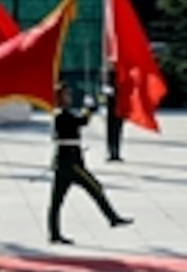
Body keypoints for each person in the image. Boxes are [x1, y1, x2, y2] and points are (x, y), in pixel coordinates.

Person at [49, 82, 133, 245]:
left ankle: (54, 234)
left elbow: (79, 121)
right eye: (66, 95)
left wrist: (92, 107)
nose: (70, 97)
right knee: (95, 187)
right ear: (59, 98)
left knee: (57, 201)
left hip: (66, 161)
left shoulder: (63, 113)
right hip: (71, 162)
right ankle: (112, 218)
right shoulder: (61, 114)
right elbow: (81, 122)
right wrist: (89, 108)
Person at [102, 66, 123, 162]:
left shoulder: (120, 80)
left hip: (118, 108)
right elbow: (105, 95)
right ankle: (112, 151)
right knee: (111, 131)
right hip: (111, 109)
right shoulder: (107, 83)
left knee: (116, 131)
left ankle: (116, 152)